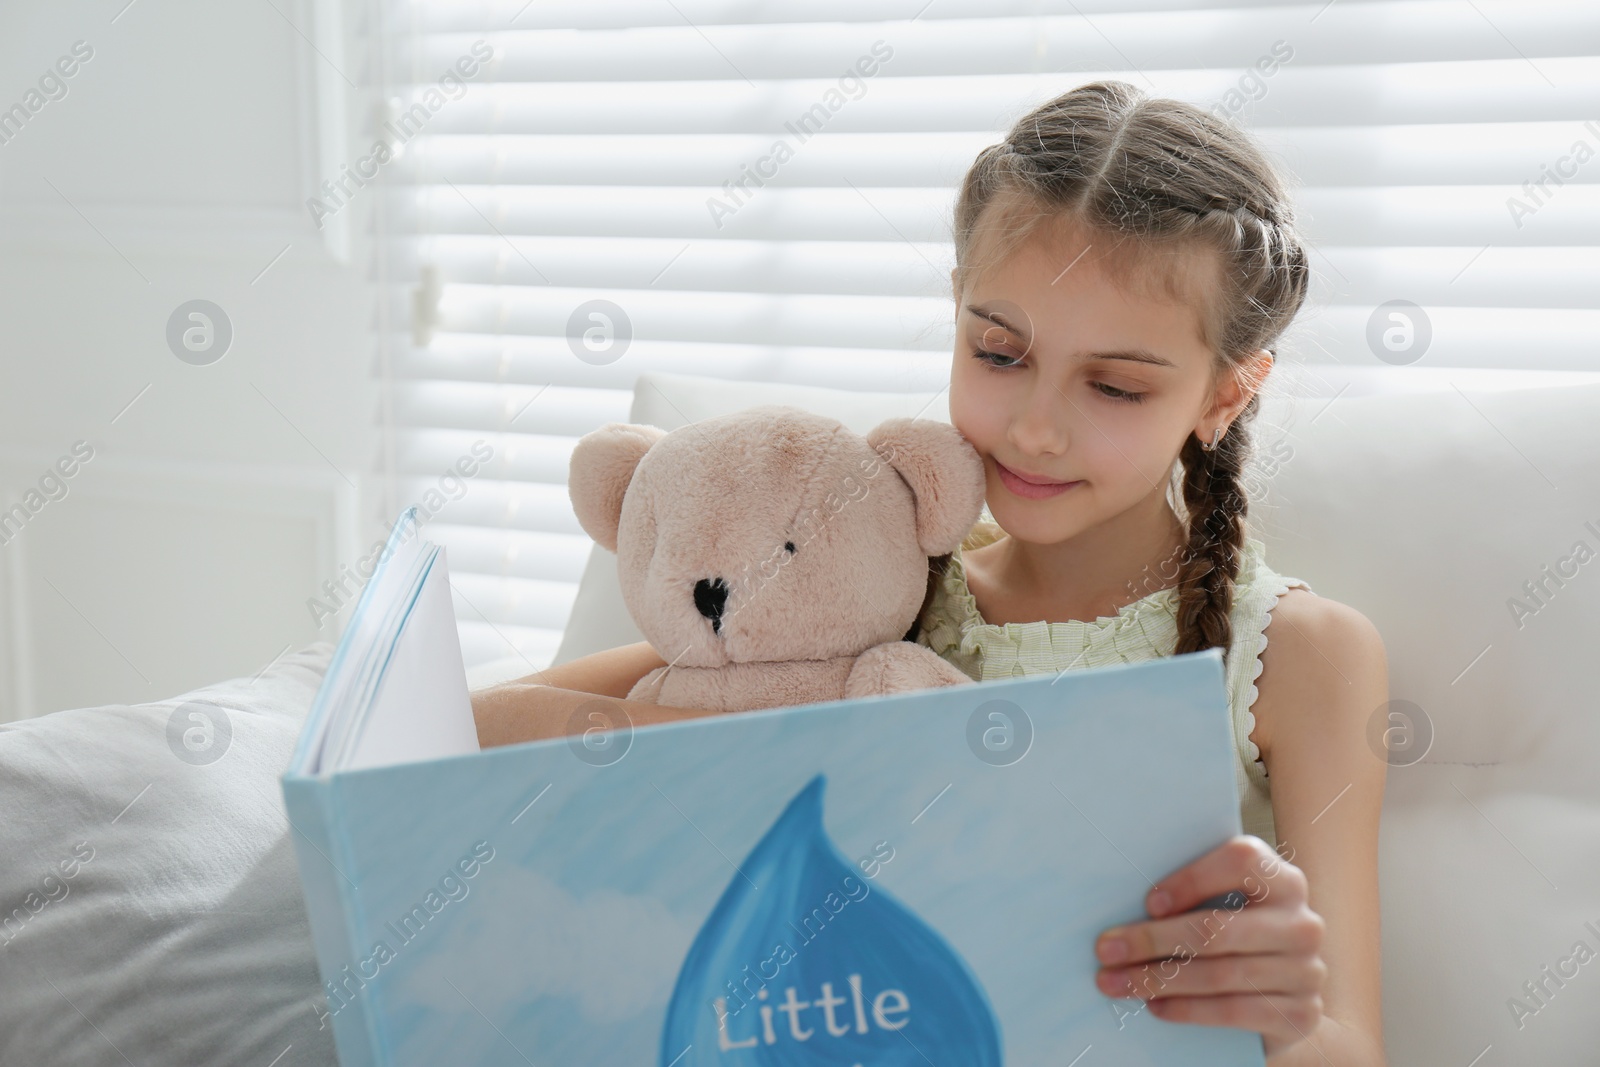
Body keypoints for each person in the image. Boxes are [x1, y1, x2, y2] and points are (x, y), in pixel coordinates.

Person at [472, 80, 1387, 1065]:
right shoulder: (871, 586)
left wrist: (1284, 1015)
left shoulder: (1298, 654)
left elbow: (1350, 1042)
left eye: (1115, 385)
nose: (1035, 427)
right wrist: (788, 742)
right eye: (997, 352)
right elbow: (478, 727)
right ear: (956, 309)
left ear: (1226, 390)